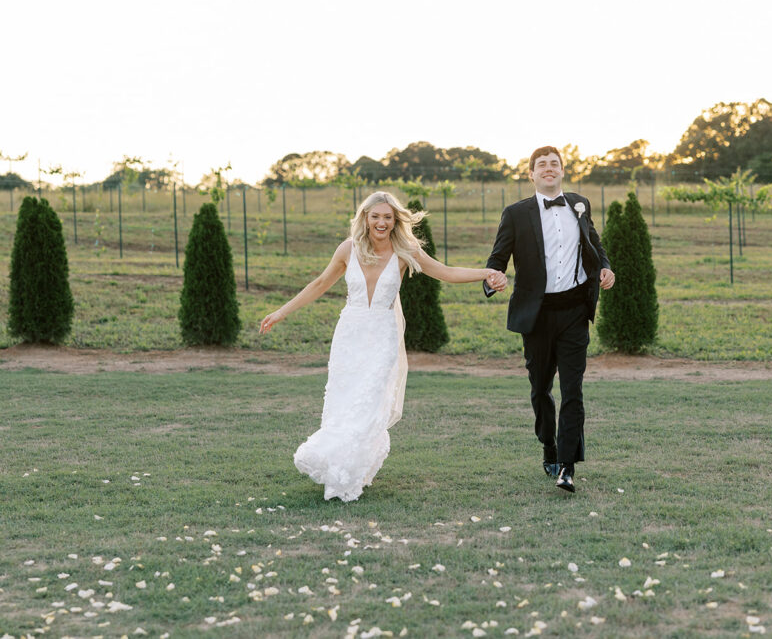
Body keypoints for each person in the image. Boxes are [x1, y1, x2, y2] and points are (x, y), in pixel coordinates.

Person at [260, 191, 504, 502]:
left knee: (369, 403)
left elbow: (444, 272)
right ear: (365, 218)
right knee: (344, 402)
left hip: (382, 335)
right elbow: (320, 284)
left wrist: (487, 273)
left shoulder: (404, 250)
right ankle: (338, 466)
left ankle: (348, 476)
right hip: (350, 334)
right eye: (375, 216)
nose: (381, 222)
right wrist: (281, 312)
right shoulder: (348, 249)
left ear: (395, 221)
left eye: (388, 217)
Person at [483, 145, 615, 493]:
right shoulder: (515, 213)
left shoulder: (579, 204)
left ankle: (568, 468)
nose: (549, 168)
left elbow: (594, 244)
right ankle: (549, 447)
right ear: (531, 174)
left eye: (554, 164)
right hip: (537, 316)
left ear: (562, 170)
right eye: (541, 165)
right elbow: (498, 257)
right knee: (541, 388)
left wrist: (604, 267)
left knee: (573, 390)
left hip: (574, 312)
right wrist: (493, 277)